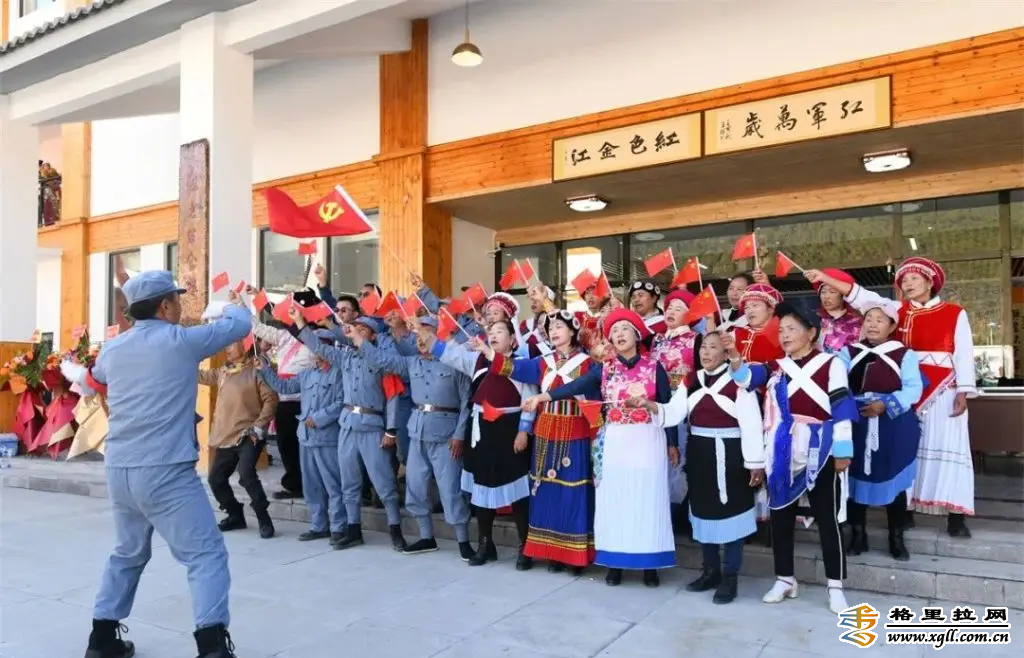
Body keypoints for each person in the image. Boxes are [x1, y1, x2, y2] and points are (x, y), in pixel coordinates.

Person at [82, 271, 250, 658]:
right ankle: (212, 646)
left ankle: (101, 639)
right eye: (177, 299)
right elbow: (241, 324)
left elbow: (97, 379)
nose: (179, 305)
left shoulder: (112, 349)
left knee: (127, 553)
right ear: (164, 306)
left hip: (120, 469)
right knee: (205, 554)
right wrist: (227, 306)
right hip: (166, 470)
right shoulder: (182, 341)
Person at [807, 259, 975, 537]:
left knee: (948, 447)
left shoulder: (955, 312)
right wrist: (826, 278)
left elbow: (964, 352)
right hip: (904, 390)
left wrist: (963, 390)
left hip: (943, 389)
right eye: (904, 280)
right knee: (905, 452)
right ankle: (904, 512)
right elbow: (860, 295)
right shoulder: (896, 311)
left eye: (914, 279)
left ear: (930, 282)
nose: (907, 284)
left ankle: (956, 517)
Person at [524, 308, 677, 588]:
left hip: (648, 440)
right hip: (615, 440)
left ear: (637, 335)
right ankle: (615, 564)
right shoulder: (605, 368)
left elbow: (668, 406)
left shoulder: (654, 368)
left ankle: (650, 566)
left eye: (624, 329)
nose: (619, 334)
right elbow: (574, 386)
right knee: (615, 501)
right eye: (614, 331)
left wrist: (673, 443)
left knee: (647, 499)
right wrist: (543, 397)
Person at [726, 302, 858, 614]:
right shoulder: (775, 366)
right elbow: (745, 378)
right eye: (781, 329)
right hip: (782, 447)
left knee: (827, 516)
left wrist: (843, 450)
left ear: (811, 333)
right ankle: (785, 579)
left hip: (820, 447)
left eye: (792, 329)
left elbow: (841, 407)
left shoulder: (831, 364)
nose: (784, 335)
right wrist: (733, 356)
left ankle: (835, 586)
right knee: (780, 516)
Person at [649, 331, 764, 604]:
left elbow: (751, 423)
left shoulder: (739, 382)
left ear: (725, 352)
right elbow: (674, 412)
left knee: (732, 513)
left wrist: (755, 463)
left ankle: (730, 577)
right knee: (703, 512)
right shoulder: (692, 380)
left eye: (713, 347)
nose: (706, 352)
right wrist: (650, 405)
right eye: (703, 348)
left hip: (731, 455)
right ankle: (710, 571)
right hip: (700, 452)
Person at [484, 309, 597, 574]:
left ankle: (574, 556)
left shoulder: (588, 363)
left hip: (575, 431)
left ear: (573, 330)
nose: (553, 331)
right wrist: (488, 352)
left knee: (573, 493)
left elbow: (593, 402)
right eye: (550, 328)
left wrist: (595, 436)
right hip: (546, 431)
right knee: (545, 491)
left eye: (559, 327)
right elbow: (514, 367)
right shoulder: (542, 362)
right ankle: (553, 553)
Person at [354, 315, 474, 559]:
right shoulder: (411, 363)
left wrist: (460, 435)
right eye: (418, 335)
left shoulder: (454, 364)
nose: (420, 339)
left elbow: (466, 404)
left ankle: (463, 541)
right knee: (416, 487)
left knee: (450, 489)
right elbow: (381, 359)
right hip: (417, 433)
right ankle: (426, 536)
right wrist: (359, 339)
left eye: (425, 333)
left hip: (446, 435)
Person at [291, 309, 408, 552]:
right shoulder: (345, 358)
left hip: (371, 425)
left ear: (373, 336)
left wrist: (391, 430)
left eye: (363, 329)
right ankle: (354, 531)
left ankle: (396, 531)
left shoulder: (382, 360)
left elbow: (393, 397)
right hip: (347, 425)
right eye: (355, 328)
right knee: (349, 483)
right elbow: (319, 347)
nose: (356, 332)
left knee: (384, 482)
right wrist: (300, 321)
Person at [426, 319, 537, 569]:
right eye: (491, 332)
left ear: (512, 339)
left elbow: (529, 400)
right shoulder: (478, 361)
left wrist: (524, 431)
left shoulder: (521, 365)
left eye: (500, 331)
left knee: (518, 491)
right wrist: (429, 338)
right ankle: (485, 544)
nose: (494, 335)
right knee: (481, 489)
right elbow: (451, 355)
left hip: (509, 428)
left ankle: (524, 546)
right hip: (480, 430)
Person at [836, 299, 923, 561]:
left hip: (893, 424)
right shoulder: (848, 353)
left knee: (893, 476)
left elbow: (913, 388)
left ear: (892, 326)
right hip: (857, 420)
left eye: (880, 320)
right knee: (854, 477)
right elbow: (837, 384)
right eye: (869, 319)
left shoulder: (904, 354)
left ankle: (896, 537)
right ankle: (858, 534)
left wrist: (885, 404)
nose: (873, 324)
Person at [258, 331, 348, 547]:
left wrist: (319, 418)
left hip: (327, 437)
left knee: (332, 484)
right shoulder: (307, 373)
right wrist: (265, 368)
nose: (315, 351)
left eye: (319, 346)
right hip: (306, 437)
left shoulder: (340, 374)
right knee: (311, 484)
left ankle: (339, 527)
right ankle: (319, 525)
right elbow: (284, 387)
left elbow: (342, 402)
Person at [203, 337, 279, 540]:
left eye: (231, 344)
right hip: (225, 434)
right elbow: (202, 376)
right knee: (215, 479)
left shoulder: (256, 370)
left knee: (246, 474)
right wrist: (182, 360)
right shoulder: (223, 371)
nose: (226, 348)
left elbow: (271, 399)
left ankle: (263, 517)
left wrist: (259, 427)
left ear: (243, 347)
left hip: (249, 434)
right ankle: (235, 514)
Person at [247, 285, 314, 501]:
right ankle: (293, 484)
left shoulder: (315, 337)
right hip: (283, 397)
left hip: (306, 399)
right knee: (286, 444)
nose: (289, 314)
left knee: (304, 446)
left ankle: (309, 484)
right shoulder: (283, 335)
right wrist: (244, 303)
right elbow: (258, 327)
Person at [815, 269, 863, 354]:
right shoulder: (820, 320)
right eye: (823, 292)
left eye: (832, 292)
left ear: (843, 296)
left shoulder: (858, 321)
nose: (826, 296)